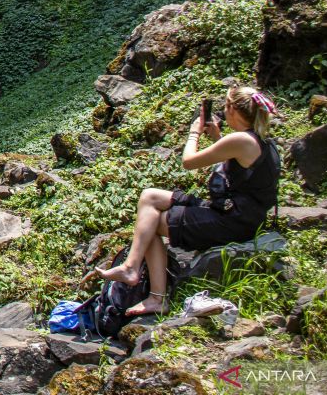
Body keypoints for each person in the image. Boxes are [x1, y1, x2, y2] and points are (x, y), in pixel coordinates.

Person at [93, 86, 281, 316]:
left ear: (233, 109)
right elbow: (241, 169)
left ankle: (155, 295)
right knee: (150, 197)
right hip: (236, 212)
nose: (223, 108)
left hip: (233, 221)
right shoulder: (257, 138)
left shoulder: (241, 140)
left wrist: (194, 133)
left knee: (150, 224)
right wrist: (217, 138)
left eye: (225, 104)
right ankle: (133, 268)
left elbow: (189, 162)